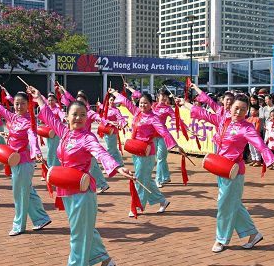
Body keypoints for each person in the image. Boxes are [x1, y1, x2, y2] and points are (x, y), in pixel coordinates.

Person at [30, 86, 134, 266]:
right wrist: (40, 99)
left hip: (83, 191)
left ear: (87, 118)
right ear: (67, 117)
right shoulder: (66, 133)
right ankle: (105, 260)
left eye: (82, 115)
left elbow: (101, 153)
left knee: (77, 232)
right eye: (74, 115)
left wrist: (117, 168)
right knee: (85, 229)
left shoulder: (88, 138)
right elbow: (50, 118)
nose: (78, 118)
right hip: (67, 188)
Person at [182, 93, 274, 252]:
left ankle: (221, 240)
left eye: (243, 109)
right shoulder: (223, 120)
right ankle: (253, 234)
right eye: (236, 108)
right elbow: (204, 114)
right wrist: (185, 104)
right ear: (230, 107)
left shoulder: (246, 128)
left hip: (234, 172)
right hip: (220, 168)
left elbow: (261, 145)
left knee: (224, 205)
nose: (238, 112)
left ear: (247, 111)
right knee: (233, 204)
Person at [0, 91, 51, 236]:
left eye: (23, 104)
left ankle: (19, 225)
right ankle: (41, 218)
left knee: (19, 194)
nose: (19, 106)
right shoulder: (13, 117)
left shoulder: (29, 121)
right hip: (14, 161)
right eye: (17, 104)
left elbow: (33, 138)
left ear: (28, 105)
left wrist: (37, 152)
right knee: (28, 191)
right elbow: (0, 109)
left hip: (24, 162)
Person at [109, 87, 186, 216]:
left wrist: (175, 146)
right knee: (147, 180)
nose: (142, 105)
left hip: (146, 152)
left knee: (140, 179)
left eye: (145, 103)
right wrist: (114, 92)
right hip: (136, 150)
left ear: (151, 104)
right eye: (141, 103)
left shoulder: (153, 118)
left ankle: (138, 206)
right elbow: (127, 102)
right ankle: (162, 201)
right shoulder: (138, 113)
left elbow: (163, 131)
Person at [59, 86, 110, 193]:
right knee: (92, 166)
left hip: (86, 143)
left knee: (92, 166)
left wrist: (108, 122)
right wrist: (62, 91)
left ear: (86, 102)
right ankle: (100, 184)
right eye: (77, 100)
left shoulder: (89, 112)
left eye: (82, 101)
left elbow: (98, 117)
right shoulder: (74, 110)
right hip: (75, 143)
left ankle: (100, 184)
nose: (79, 103)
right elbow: (68, 98)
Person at [96, 94, 126, 168]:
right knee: (113, 148)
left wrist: (121, 123)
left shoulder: (116, 110)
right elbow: (100, 112)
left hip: (112, 131)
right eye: (111, 100)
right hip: (106, 130)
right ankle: (120, 162)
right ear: (108, 100)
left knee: (110, 149)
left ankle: (109, 165)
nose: (112, 101)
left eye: (113, 100)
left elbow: (120, 118)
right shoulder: (105, 108)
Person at [41, 93, 64, 168]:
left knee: (53, 149)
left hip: (56, 132)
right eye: (49, 100)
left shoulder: (57, 109)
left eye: (52, 100)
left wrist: (64, 117)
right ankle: (52, 164)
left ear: (55, 101)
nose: (50, 102)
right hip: (48, 133)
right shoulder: (47, 109)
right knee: (50, 148)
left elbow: (61, 114)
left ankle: (53, 165)